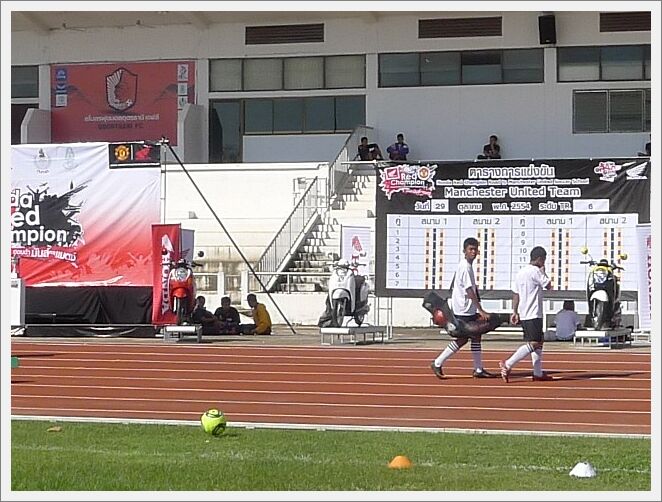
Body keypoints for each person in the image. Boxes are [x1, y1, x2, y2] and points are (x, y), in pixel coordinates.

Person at [430, 237, 499, 379]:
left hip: (467, 309)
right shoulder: (465, 267)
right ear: (464, 251)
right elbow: (469, 291)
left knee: (474, 336)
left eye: (475, 249)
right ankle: (438, 362)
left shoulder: (466, 266)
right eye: (470, 249)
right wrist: (481, 310)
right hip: (463, 311)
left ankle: (477, 369)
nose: (473, 252)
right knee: (466, 338)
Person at [500, 246, 553, 383]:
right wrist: (544, 271)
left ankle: (537, 372)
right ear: (540, 259)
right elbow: (548, 285)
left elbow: (516, 294)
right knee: (535, 343)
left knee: (539, 341)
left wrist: (514, 311)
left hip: (524, 312)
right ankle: (508, 363)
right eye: (544, 260)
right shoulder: (536, 271)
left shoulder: (521, 272)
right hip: (533, 312)